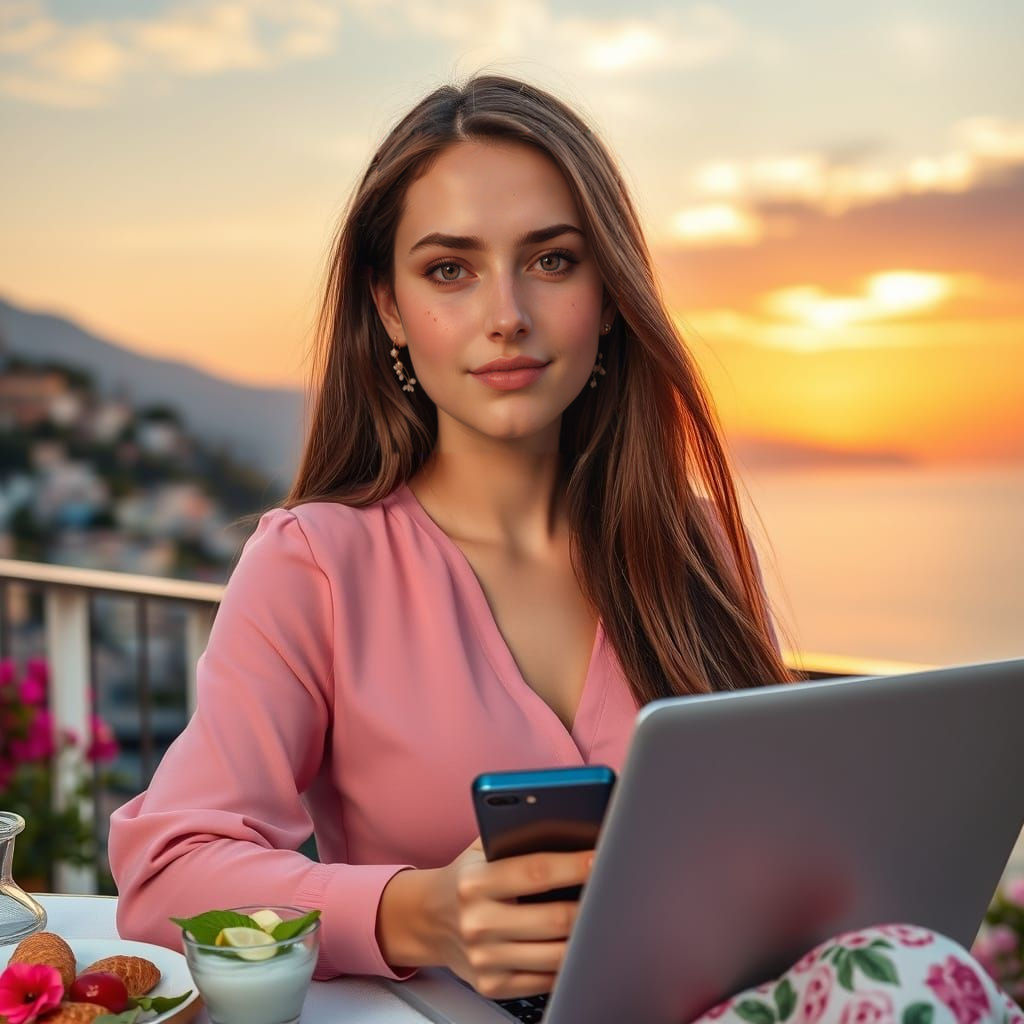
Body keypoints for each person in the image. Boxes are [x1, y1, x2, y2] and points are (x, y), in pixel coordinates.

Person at [108, 75, 1017, 1024]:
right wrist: (419, 913)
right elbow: (169, 873)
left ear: (610, 296)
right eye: (449, 270)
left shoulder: (693, 543)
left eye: (550, 260)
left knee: (914, 970)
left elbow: (780, 831)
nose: (506, 313)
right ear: (388, 308)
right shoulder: (317, 563)